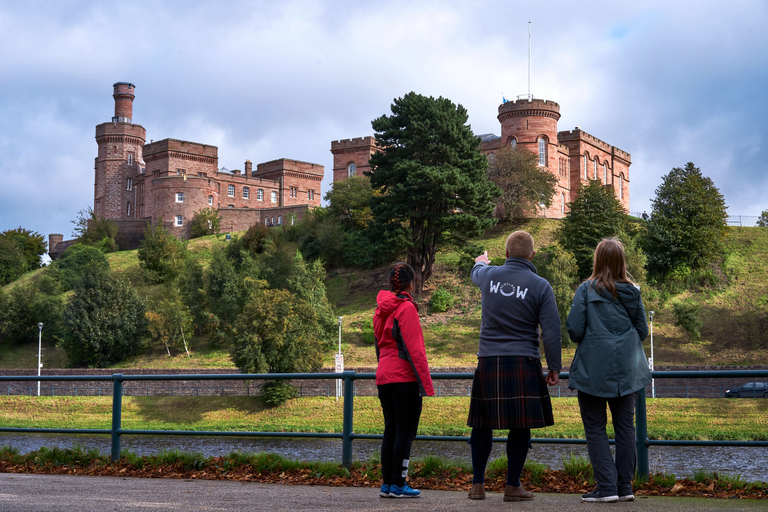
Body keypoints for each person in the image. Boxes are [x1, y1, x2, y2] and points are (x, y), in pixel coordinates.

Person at [467, 231, 561, 502]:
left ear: (506, 254)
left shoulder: (488, 276)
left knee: (482, 424)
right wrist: (554, 367)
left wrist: (481, 261)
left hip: (488, 360)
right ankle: (512, 486)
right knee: (520, 426)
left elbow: (477, 271)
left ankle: (477, 485)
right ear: (532, 255)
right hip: (523, 360)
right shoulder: (541, 285)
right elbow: (551, 332)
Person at [566, 238, 651, 503]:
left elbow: (574, 330)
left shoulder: (585, 290)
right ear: (622, 261)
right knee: (626, 427)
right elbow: (643, 332)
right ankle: (624, 487)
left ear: (597, 260)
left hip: (593, 368)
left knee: (595, 427)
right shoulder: (634, 291)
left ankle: (606, 487)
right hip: (627, 369)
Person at [374, 262, 435, 498]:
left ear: (391, 283)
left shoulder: (380, 310)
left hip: (384, 376)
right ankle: (399, 484)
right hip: (403, 378)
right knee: (405, 432)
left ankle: (388, 484)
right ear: (412, 283)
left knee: (390, 430)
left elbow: (380, 346)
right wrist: (426, 385)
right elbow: (415, 350)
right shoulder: (406, 308)